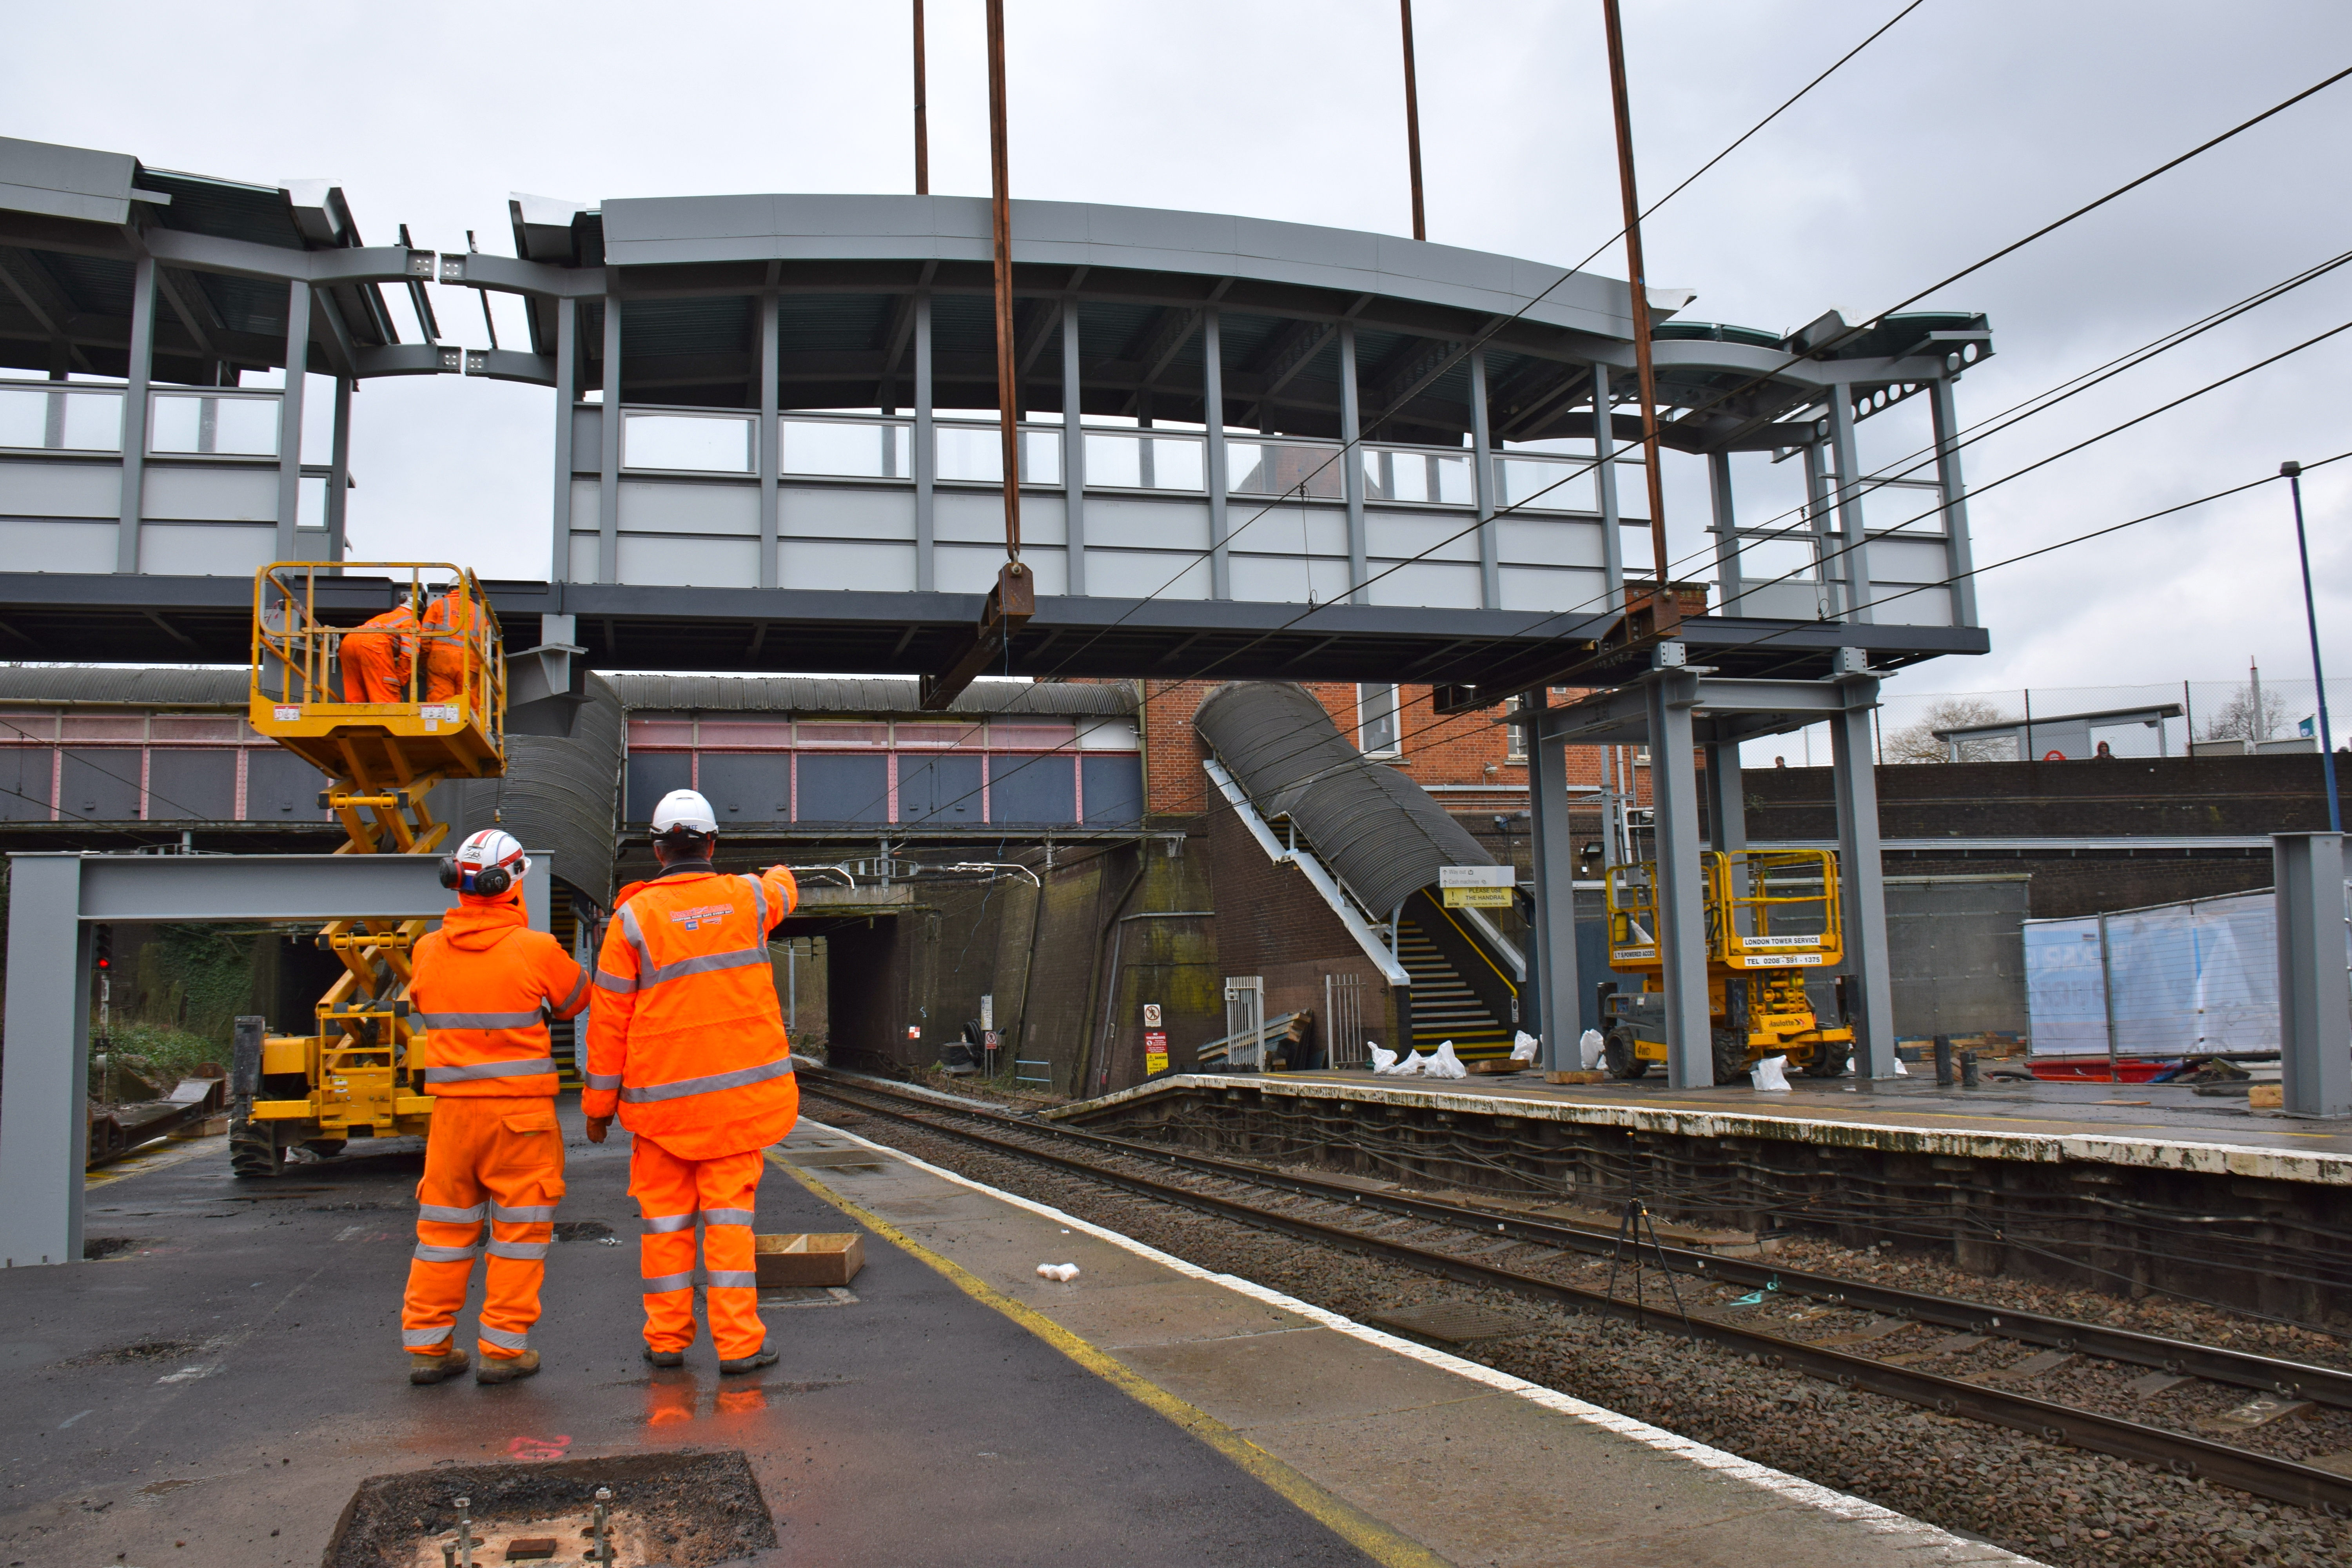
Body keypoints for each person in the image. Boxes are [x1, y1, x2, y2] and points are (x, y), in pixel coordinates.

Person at [584, 789, 800, 1374]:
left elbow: (608, 1021)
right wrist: (777, 869)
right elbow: (784, 884)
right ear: (711, 844)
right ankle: (740, 1346)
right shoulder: (749, 898)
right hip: (736, 1110)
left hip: (662, 1116)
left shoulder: (632, 920)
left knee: (665, 1227)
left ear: (657, 851)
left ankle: (667, 1340)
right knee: (729, 1225)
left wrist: (599, 1108)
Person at [401, 829, 590, 1386]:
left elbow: (424, 999)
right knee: (518, 1236)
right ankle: (503, 1351)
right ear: (512, 883)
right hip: (521, 1121)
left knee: (442, 1233)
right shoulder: (535, 950)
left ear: (456, 881)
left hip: (453, 1121)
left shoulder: (427, 949)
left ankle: (429, 1349)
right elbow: (577, 1000)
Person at [339, 602, 417, 704]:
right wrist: (399, 680)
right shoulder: (412, 621)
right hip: (373, 643)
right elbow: (409, 653)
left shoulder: (382, 617)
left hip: (348, 641)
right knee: (386, 701)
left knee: (355, 697)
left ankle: (355, 719)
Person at [421, 583, 485, 704]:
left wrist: (424, 659)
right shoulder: (480, 611)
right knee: (469, 704)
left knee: (440, 702)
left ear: (450, 590)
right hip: (470, 663)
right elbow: (486, 641)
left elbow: (425, 637)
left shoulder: (438, 605)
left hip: (441, 660)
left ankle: (442, 723)